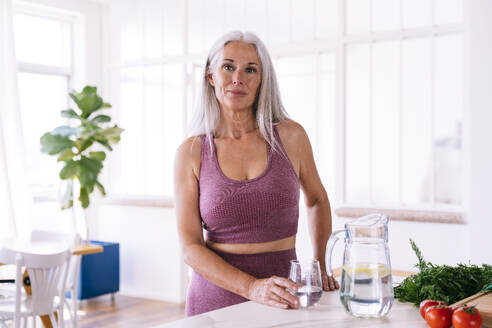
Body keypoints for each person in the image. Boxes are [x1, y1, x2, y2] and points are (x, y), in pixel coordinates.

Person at [174, 31, 339, 317]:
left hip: (285, 295)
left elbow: (316, 200)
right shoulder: (191, 152)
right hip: (214, 304)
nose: (238, 78)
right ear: (211, 76)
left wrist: (320, 265)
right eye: (228, 67)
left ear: (262, 80)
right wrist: (252, 288)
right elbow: (190, 246)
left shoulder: (291, 136)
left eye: (250, 69)